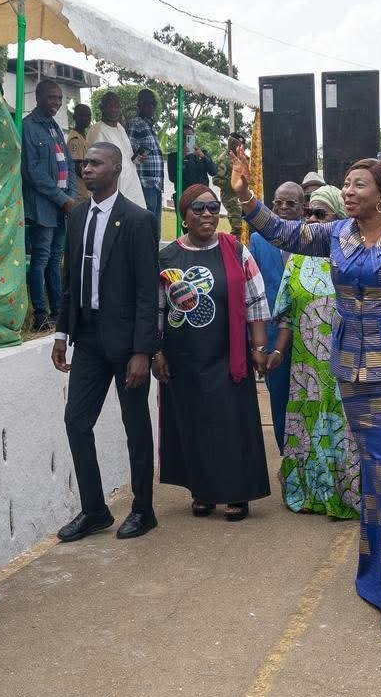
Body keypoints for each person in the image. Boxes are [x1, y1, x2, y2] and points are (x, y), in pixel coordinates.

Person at [233, 152, 381, 635]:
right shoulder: (337, 235)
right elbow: (283, 233)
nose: (349, 191)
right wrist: (247, 196)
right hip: (353, 373)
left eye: (358, 185)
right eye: (346, 184)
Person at [52, 142, 159, 542]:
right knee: (76, 421)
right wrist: (62, 334)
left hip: (128, 342)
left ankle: (143, 509)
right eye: (84, 164)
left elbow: (149, 292)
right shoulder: (77, 216)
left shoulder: (138, 220)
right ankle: (95, 510)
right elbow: (69, 281)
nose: (86, 169)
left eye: (95, 163)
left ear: (115, 168)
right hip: (89, 338)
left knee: (136, 427)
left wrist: (142, 351)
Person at [154, 182, 272, 521]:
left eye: (213, 207)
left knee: (230, 423)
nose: (208, 214)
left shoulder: (235, 250)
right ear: (184, 216)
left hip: (227, 353)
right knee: (192, 424)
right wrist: (156, 352)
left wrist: (259, 347)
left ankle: (237, 492)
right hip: (183, 357)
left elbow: (255, 300)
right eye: (199, 209)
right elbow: (159, 309)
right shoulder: (168, 256)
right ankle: (202, 491)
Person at [269, 185, 360, 517]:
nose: (311, 220)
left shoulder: (353, 253)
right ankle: (311, 492)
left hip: (345, 360)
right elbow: (286, 316)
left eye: (320, 215)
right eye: (308, 214)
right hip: (305, 366)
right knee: (309, 429)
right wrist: (276, 353)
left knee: (343, 428)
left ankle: (347, 493)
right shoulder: (298, 258)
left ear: (337, 218)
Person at [22, 79, 77, 332]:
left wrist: (72, 195)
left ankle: (57, 311)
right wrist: (62, 198)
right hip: (43, 206)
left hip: (62, 205)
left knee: (56, 259)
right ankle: (40, 314)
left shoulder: (55, 127)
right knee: (41, 260)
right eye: (52, 98)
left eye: (59, 99)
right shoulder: (27, 127)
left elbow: (69, 165)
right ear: (38, 97)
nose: (56, 102)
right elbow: (32, 173)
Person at [252, 181, 302, 451]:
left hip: (310, 331)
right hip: (273, 335)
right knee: (279, 398)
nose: (282, 207)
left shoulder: (312, 236)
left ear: (303, 207)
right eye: (278, 202)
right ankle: (287, 457)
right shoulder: (258, 239)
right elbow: (254, 292)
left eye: (290, 203)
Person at [87, 91, 145, 207]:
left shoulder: (120, 128)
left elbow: (128, 159)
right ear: (101, 108)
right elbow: (97, 166)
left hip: (132, 187)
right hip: (113, 191)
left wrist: (138, 159)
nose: (114, 109)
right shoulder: (97, 130)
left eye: (117, 105)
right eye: (110, 105)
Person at [128, 88, 164, 227]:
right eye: (147, 104)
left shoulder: (150, 125)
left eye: (153, 104)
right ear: (140, 105)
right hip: (145, 183)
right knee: (147, 225)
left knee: (155, 226)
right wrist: (138, 157)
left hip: (156, 184)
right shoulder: (136, 124)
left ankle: (153, 249)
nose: (151, 107)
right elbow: (129, 152)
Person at [214, 132, 246, 237]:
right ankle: (234, 248)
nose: (239, 147)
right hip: (230, 197)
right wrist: (233, 183)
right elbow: (216, 180)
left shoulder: (242, 157)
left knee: (246, 224)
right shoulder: (223, 159)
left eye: (241, 145)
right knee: (237, 226)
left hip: (242, 196)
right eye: (237, 144)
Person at [67, 102, 92, 202]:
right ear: (75, 117)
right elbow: (77, 166)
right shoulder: (75, 138)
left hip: (86, 191)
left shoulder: (83, 136)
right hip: (80, 192)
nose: (86, 118)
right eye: (82, 115)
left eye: (88, 115)